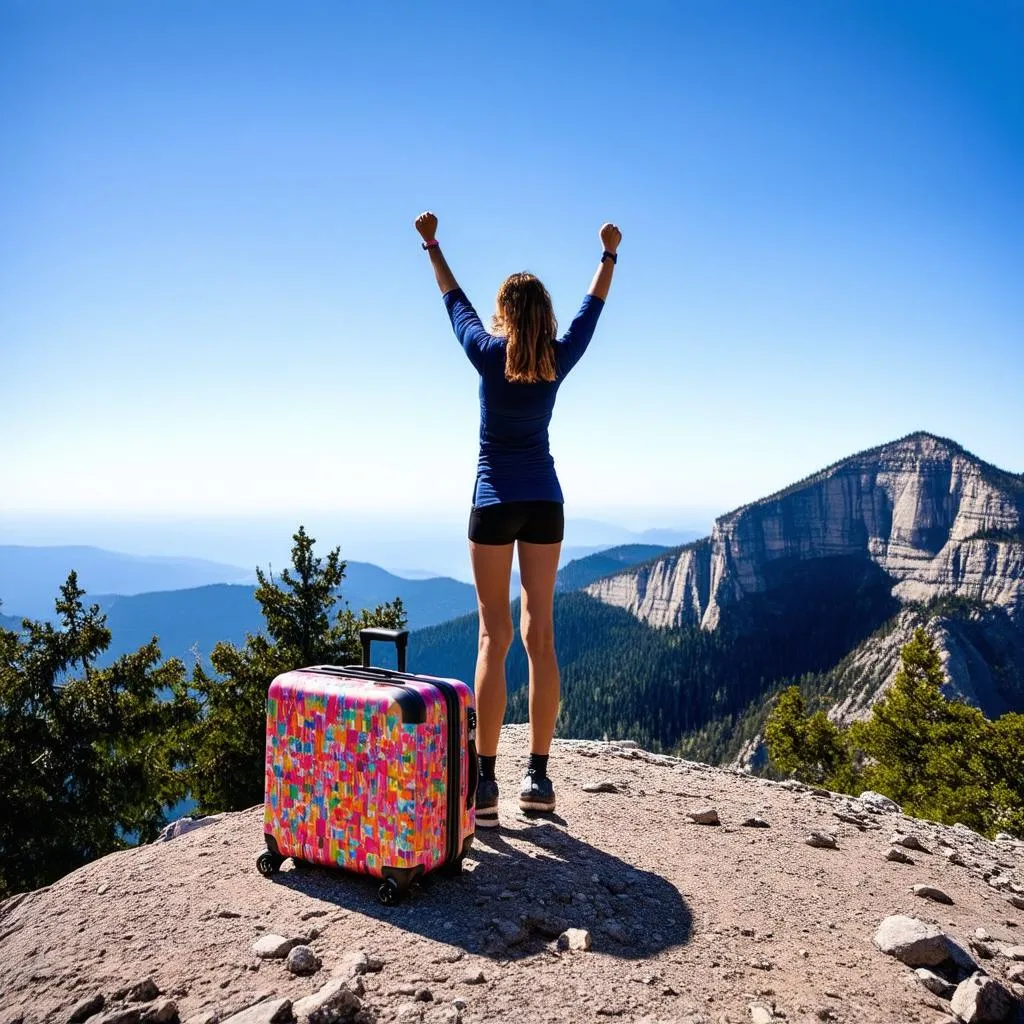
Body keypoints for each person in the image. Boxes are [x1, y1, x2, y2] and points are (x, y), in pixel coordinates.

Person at [415, 210, 621, 828]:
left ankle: (485, 785)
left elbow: (455, 303)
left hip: (493, 501)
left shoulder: (487, 354)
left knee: (492, 637)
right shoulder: (560, 357)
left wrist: (432, 244)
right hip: (544, 503)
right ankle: (538, 775)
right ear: (545, 316)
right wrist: (608, 254)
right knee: (542, 637)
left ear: (506, 314)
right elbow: (593, 308)